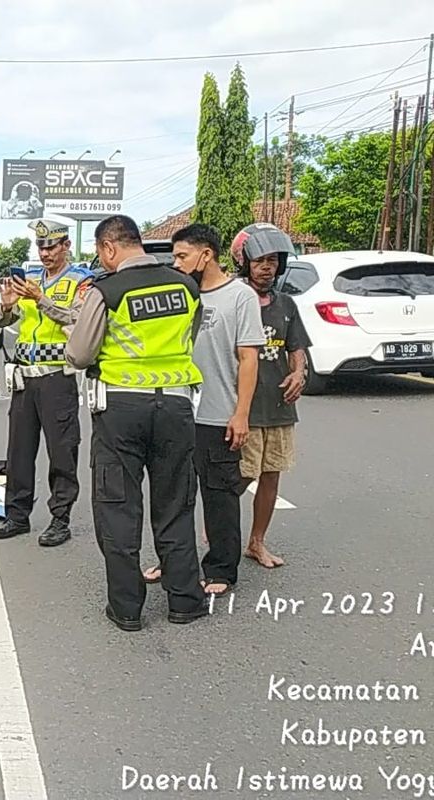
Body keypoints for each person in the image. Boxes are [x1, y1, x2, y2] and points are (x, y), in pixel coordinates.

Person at [65, 215, 207, 632]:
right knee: (176, 505)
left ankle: (127, 609)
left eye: (99, 253)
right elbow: (189, 339)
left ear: (109, 248)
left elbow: (79, 355)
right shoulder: (186, 286)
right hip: (177, 408)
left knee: (118, 509)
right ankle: (184, 600)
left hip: (120, 412)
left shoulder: (106, 291)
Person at [142, 224, 265, 597]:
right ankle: (174, 562)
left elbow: (248, 358)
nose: (176, 263)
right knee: (173, 495)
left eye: (182, 256)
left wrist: (241, 413)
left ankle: (221, 569)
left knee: (220, 496)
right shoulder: (180, 294)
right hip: (176, 411)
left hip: (218, 414)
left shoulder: (239, 297)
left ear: (206, 254)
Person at [0, 219, 93, 545]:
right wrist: (6, 307)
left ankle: (60, 519)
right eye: (41, 247)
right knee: (19, 451)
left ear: (66, 246)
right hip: (24, 377)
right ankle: (16, 516)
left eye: (52, 246)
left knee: (62, 452)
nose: (46, 253)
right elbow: (5, 320)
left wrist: (42, 300)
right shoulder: (29, 278)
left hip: (56, 378)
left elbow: (78, 320)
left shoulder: (81, 280)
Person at [236, 223, 309, 570]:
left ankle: (257, 542)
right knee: (239, 475)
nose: (266, 267)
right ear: (244, 263)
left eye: (273, 261)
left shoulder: (287, 305)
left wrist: (298, 373)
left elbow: (296, 347)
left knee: (271, 474)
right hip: (243, 407)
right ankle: (217, 528)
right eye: (259, 261)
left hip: (279, 406)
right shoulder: (234, 300)